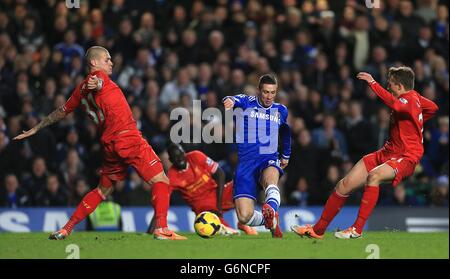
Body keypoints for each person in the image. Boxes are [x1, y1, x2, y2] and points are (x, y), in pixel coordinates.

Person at [13, 46, 186, 240]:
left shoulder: (79, 91)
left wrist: (36, 128)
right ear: (94, 63)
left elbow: (61, 111)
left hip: (110, 145)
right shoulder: (97, 80)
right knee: (161, 181)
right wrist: (94, 82)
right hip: (128, 137)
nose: (111, 62)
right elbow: (96, 82)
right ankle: (161, 229)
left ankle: (66, 228)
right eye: (107, 59)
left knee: (102, 190)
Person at [292, 66, 438, 239]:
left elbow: (395, 105)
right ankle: (318, 230)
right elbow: (433, 108)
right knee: (343, 185)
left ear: (399, 86)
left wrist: (373, 83)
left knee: (374, 176)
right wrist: (416, 123)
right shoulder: (416, 100)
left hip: (406, 156)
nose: (389, 87)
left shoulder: (411, 98)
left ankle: (357, 229)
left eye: (390, 84)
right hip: (386, 152)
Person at [222, 74, 291, 238]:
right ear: (259, 91)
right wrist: (229, 101)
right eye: (266, 92)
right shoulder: (247, 102)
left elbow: (286, 133)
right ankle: (270, 220)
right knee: (244, 216)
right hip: (246, 163)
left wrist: (286, 155)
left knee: (271, 179)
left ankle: (271, 209)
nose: (269, 96)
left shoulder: (281, 110)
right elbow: (232, 98)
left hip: (268, 158)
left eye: (273, 92)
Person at [147, 143, 258, 235]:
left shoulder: (196, 156)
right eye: (175, 157)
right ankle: (226, 228)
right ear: (171, 160)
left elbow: (220, 174)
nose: (179, 159)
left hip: (217, 193)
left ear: (184, 152)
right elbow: (162, 202)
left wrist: (218, 203)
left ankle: (244, 220)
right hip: (201, 205)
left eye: (180, 155)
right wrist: (151, 230)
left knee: (243, 183)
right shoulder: (172, 176)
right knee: (225, 231)